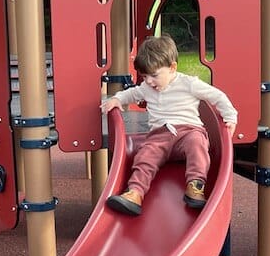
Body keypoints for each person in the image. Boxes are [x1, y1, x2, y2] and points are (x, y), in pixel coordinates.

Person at [102, 35, 238, 216]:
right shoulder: (146, 87)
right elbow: (131, 94)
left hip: (188, 132)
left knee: (197, 144)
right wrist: (117, 99)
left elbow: (218, 96)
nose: (149, 81)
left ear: (172, 67)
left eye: (154, 75)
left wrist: (231, 117)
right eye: (144, 76)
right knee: (145, 155)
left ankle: (195, 186)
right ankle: (135, 193)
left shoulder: (189, 84)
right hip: (159, 136)